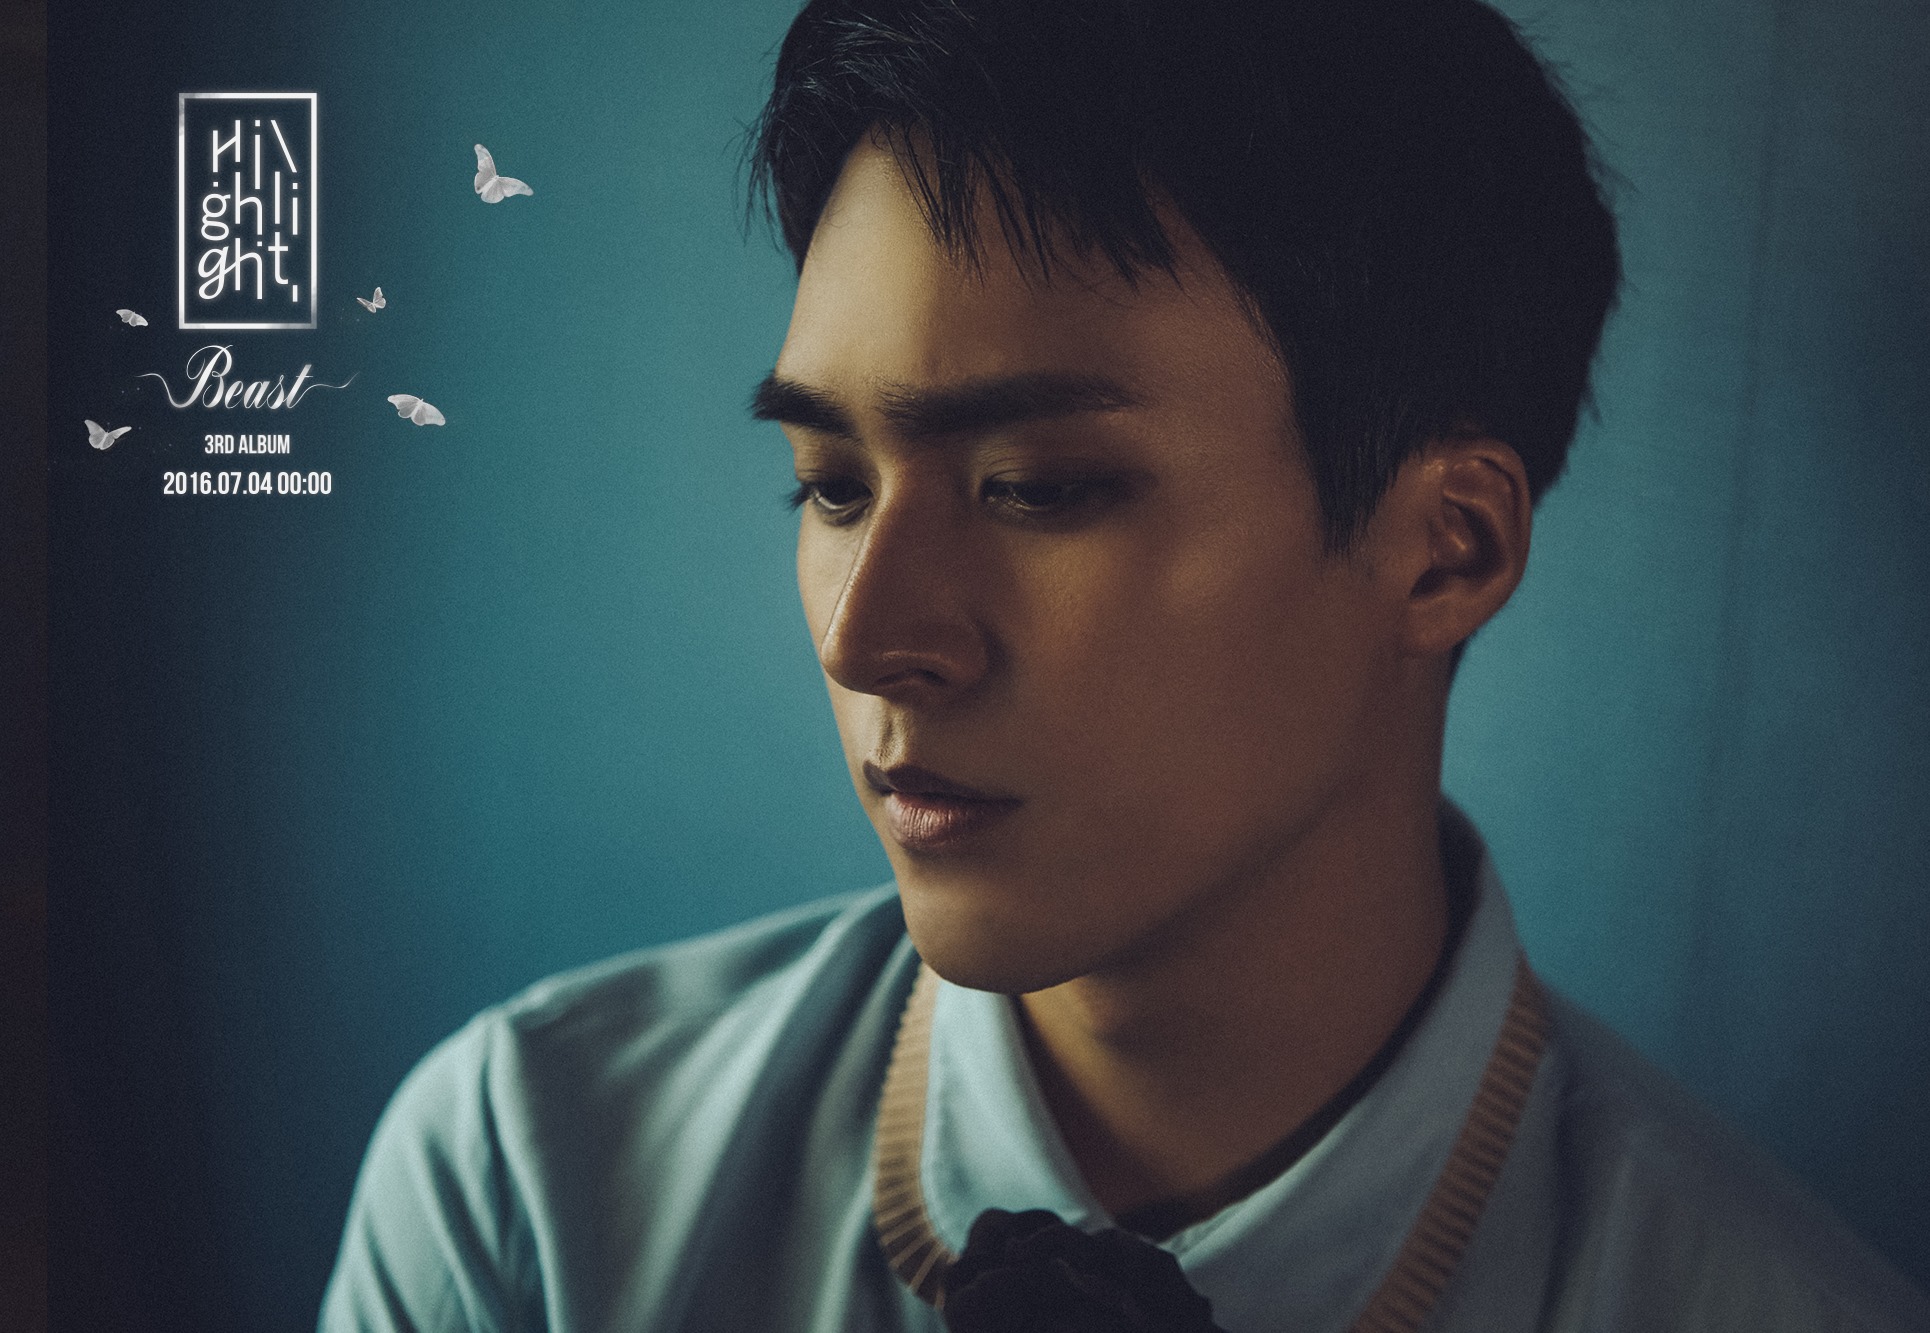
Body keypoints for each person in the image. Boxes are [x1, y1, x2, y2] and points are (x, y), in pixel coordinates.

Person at [319, 0, 1930, 1329]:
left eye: (1037, 487)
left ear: (1445, 549)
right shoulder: (530, 1192)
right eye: (830, 485)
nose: (867, 635)